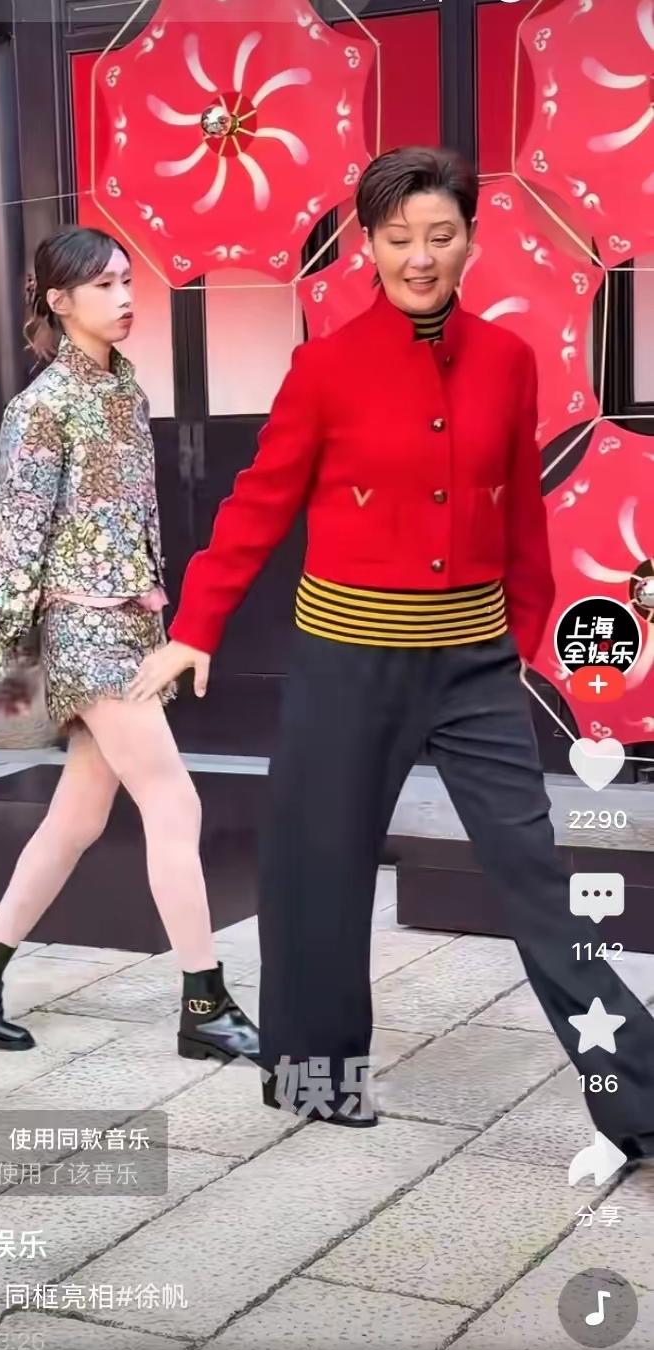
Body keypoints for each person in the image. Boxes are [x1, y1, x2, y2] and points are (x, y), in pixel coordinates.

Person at [127, 146, 654, 1151]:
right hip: (347, 664)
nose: (421, 256)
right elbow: (257, 504)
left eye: (441, 235)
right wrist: (196, 625)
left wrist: (524, 631)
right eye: (399, 237)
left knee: (538, 878)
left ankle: (641, 1098)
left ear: (470, 241)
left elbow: (520, 508)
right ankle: (314, 1076)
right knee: (318, 872)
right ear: (367, 244)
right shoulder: (324, 368)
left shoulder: (508, 359)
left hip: (473, 665)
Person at [0, 225, 259, 1066]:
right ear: (58, 301)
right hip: (85, 632)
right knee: (174, 803)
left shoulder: (126, 389)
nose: (123, 297)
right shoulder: (39, 408)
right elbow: (11, 542)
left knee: (77, 818)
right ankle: (204, 1003)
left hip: (133, 623)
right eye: (103, 285)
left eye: (125, 280)